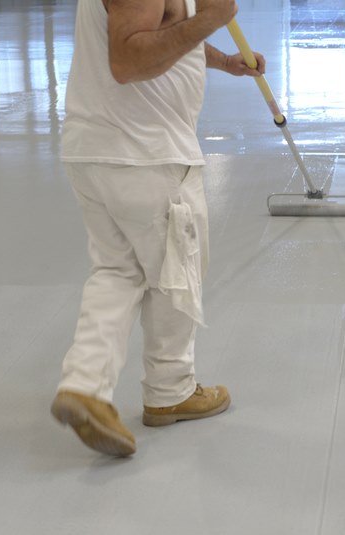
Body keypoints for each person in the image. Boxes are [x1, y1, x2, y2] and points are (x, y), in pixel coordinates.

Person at [50, 0, 266, 457]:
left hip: (101, 148)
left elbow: (166, 31)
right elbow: (129, 59)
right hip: (144, 153)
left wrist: (221, 59)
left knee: (118, 272)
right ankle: (171, 391)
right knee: (176, 272)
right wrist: (213, 16)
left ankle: (85, 385)